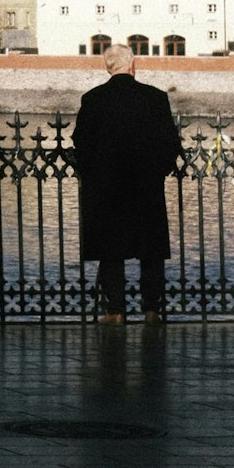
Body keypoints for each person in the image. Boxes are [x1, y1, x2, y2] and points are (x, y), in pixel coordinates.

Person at [72, 43, 180, 325]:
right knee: (151, 251)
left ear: (107, 67)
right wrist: (160, 170)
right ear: (134, 65)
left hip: (107, 188)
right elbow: (170, 142)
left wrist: (92, 173)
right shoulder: (155, 98)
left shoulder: (93, 99)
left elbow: (80, 143)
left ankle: (115, 310)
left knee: (111, 250)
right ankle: (152, 309)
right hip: (146, 185)